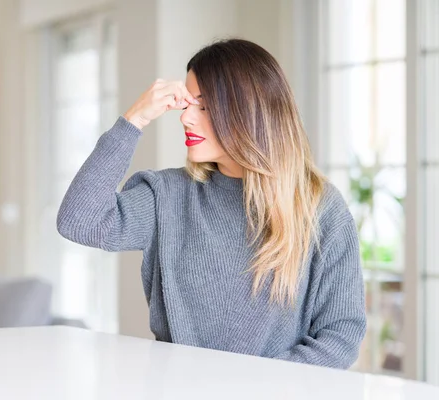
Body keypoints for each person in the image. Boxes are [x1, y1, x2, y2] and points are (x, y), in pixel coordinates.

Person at [57, 39, 366, 369]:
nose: (185, 119)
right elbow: (80, 221)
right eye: (188, 105)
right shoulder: (167, 195)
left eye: (203, 107)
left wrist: (256, 387)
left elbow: (340, 336)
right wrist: (134, 121)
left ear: (248, 111)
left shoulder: (320, 208)